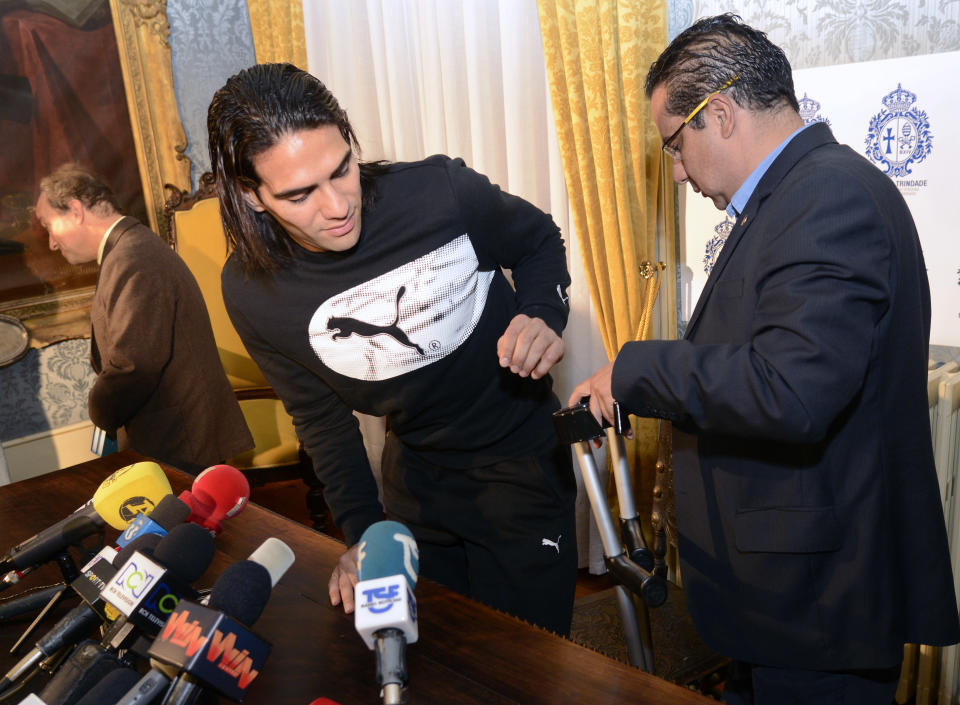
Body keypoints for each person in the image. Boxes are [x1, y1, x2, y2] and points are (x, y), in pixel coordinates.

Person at [570, 13, 960, 704]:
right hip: (786, 601)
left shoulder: (826, 196)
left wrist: (636, 367)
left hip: (818, 606)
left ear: (716, 114)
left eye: (674, 145)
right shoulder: (792, 197)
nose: (680, 171)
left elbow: (791, 389)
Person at [207, 63, 577, 634]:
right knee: (439, 663)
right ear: (251, 196)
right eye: (300, 193)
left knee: (529, 666)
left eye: (342, 169)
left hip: (521, 465)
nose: (336, 205)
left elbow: (538, 241)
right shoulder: (252, 290)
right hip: (418, 486)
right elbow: (322, 422)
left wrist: (541, 312)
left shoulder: (439, 193)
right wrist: (362, 534)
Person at [36, 163, 253, 475]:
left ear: (74, 210)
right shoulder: (128, 249)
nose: (51, 244)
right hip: (173, 431)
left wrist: (99, 412)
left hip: (179, 438)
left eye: (48, 227)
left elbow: (134, 366)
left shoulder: (132, 258)